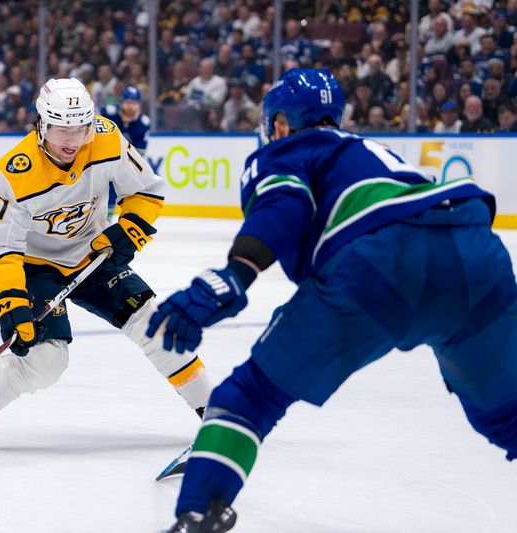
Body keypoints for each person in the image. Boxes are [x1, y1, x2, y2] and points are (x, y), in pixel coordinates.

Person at [147, 69, 517, 532]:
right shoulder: (371, 152)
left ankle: (198, 515)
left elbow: (284, 205)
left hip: (379, 262)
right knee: (507, 418)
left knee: (248, 397)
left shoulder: (286, 150)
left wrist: (235, 275)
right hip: (474, 249)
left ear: (279, 123)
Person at [0, 78, 213, 455]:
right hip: (37, 267)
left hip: (93, 254)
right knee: (45, 359)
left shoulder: (106, 139)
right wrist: (12, 300)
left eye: (80, 129)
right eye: (61, 129)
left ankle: (214, 411)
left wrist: (129, 230)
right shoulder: (13, 173)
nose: (71, 140)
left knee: (153, 321)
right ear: (42, 125)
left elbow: (146, 190)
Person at [100, 85, 151, 218]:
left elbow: (139, 153)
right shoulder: (108, 113)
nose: (130, 106)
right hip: (101, 157)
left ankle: (114, 218)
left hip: (125, 162)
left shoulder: (143, 123)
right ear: (121, 102)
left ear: (139, 105)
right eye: (127, 102)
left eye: (134, 103)